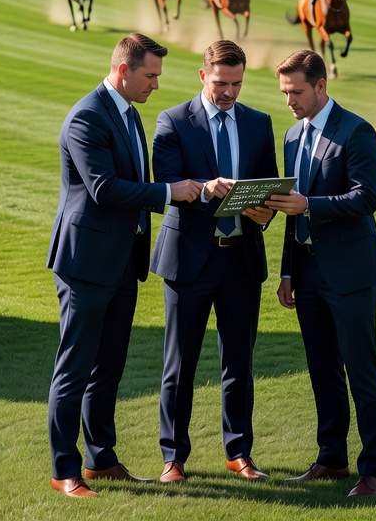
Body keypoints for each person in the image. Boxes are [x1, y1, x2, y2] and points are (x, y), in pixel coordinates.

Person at [46, 33, 202, 499]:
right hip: (86, 264)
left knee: (108, 368)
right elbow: (104, 189)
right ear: (123, 70)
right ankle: (64, 470)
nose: (156, 83)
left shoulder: (130, 114)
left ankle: (101, 460)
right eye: (150, 74)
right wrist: (170, 192)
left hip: (121, 261)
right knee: (75, 368)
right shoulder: (86, 118)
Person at [150, 40, 278, 485]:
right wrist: (206, 188)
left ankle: (238, 452)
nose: (229, 92)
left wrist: (266, 210)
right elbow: (164, 182)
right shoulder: (172, 120)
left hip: (242, 261)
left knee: (239, 363)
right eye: (221, 83)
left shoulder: (260, 124)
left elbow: (268, 191)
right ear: (203, 76)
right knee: (179, 364)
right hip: (188, 261)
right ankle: (173, 457)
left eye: (237, 83)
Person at [265, 50, 376, 499]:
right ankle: (331, 458)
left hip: (352, 272)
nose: (289, 101)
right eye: (284, 93)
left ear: (320, 85)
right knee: (322, 370)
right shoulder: (292, 135)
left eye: (296, 91)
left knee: (362, 370)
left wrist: (310, 206)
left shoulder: (356, 131)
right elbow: (289, 205)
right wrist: (286, 270)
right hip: (307, 272)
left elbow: (366, 198)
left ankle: (372, 472)